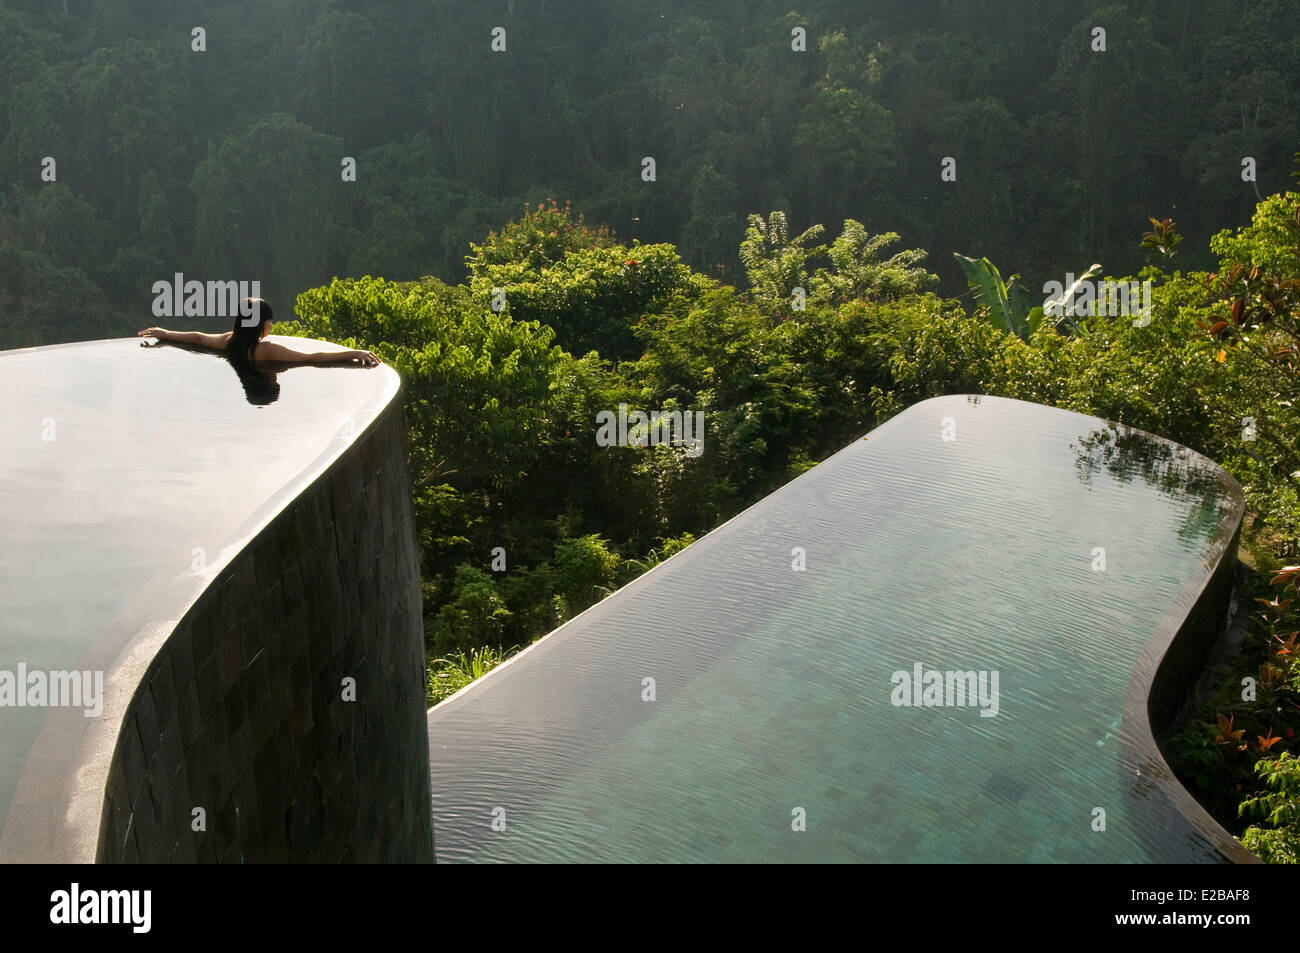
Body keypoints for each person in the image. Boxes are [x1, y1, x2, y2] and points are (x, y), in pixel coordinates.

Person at [138, 298, 380, 366]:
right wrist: (352, 352)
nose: (271, 326)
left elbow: (198, 338)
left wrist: (165, 332)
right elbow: (311, 358)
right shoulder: (265, 349)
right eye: (269, 322)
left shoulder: (230, 341)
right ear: (260, 324)